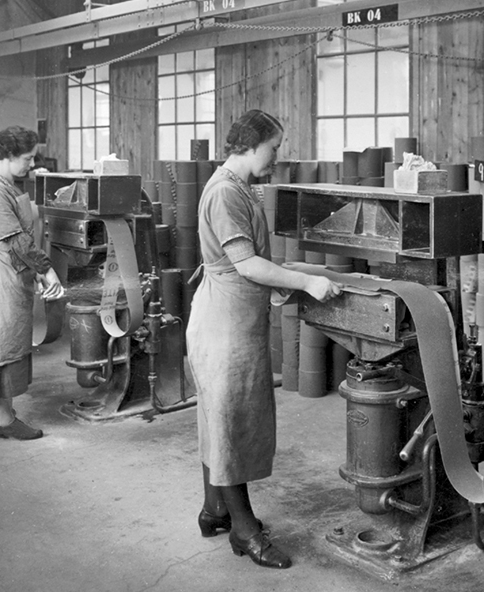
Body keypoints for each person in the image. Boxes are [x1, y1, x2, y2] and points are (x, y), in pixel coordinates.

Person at [187, 110, 342, 569]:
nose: (277, 156)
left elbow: (258, 262)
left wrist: (318, 273)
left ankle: (214, 509)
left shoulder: (237, 188)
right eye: (274, 147)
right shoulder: (224, 194)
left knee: (221, 418)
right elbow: (249, 265)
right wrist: (308, 284)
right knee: (230, 420)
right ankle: (244, 529)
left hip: (236, 316)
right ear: (252, 146)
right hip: (224, 323)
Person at [0, 126, 63, 441]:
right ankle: (4, 418)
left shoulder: (8, 185)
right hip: (0, 274)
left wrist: (33, 271)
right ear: (8, 156)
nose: (31, 164)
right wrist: (47, 271)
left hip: (11, 269)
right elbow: (17, 241)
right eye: (27, 158)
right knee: (2, 344)